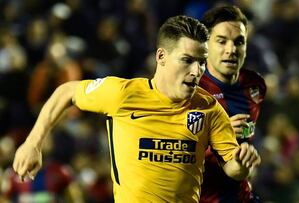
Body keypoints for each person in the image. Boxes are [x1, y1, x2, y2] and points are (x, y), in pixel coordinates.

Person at [12, 15, 261, 203]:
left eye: (201, 63)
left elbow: (232, 168)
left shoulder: (209, 108)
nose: (197, 72)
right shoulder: (123, 94)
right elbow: (66, 91)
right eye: (187, 60)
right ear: (161, 57)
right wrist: (33, 143)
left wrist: (242, 163)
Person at [199, 5, 266, 203]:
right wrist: (219, 134)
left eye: (239, 42)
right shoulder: (191, 89)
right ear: (206, 45)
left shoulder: (255, 86)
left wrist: (246, 160)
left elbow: (245, 143)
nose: (231, 50)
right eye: (221, 41)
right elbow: (174, 153)